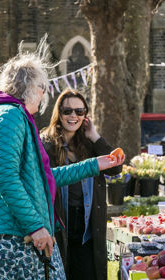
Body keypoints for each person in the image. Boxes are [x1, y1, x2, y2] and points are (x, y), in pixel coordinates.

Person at [0, 44, 125, 280]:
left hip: (20, 231)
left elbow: (44, 176)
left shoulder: (15, 115)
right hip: (15, 234)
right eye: (42, 87)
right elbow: (5, 178)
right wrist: (35, 226)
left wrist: (94, 164)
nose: (43, 94)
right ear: (29, 87)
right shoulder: (9, 115)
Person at [40, 89, 121, 280]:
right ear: (58, 113)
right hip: (59, 224)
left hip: (87, 226)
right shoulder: (46, 143)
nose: (73, 116)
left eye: (79, 111)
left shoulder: (89, 143)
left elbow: (115, 169)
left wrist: (94, 135)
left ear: (85, 115)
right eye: (67, 111)